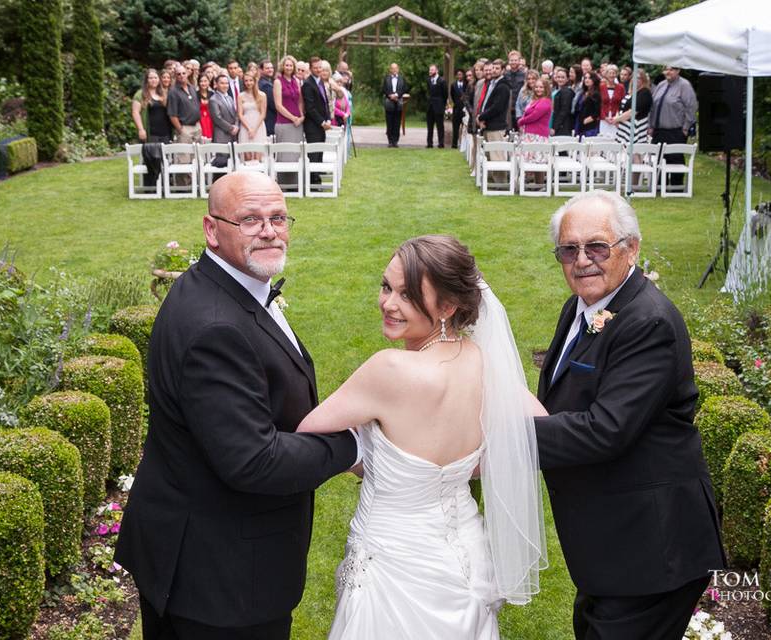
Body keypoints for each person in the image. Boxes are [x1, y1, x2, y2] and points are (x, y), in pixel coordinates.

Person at [114, 172, 360, 640]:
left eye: (278, 218)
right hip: (219, 582)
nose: (269, 230)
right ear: (212, 229)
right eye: (250, 220)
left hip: (199, 551)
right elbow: (254, 461)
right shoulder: (214, 327)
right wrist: (350, 447)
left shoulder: (225, 288)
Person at [297, 234, 547, 639]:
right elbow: (537, 428)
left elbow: (307, 432)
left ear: (448, 306)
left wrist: (372, 460)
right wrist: (463, 466)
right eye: (386, 287)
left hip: (394, 556)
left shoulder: (389, 370)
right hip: (463, 552)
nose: (388, 304)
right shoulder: (482, 361)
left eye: (407, 295)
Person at [534, 191, 726, 640]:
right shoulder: (583, 307)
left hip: (653, 550)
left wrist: (502, 435)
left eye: (597, 246)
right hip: (612, 542)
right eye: (569, 249)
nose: (582, 260)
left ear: (631, 247)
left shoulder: (648, 321)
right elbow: (564, 402)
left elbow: (606, 430)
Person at [649, 66, 698, 186]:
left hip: (675, 130)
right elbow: (653, 106)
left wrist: (686, 127)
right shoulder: (661, 85)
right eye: (666, 69)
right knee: (658, 159)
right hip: (659, 131)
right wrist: (650, 125)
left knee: (675, 158)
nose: (668, 72)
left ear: (678, 71)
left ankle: (676, 186)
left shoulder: (684, 85)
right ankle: (660, 186)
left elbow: (691, 107)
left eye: (671, 69)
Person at [478, 60, 511, 182]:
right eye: (493, 68)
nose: (494, 70)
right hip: (489, 125)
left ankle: (501, 183)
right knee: (490, 155)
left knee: (497, 156)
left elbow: (497, 107)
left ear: (502, 70)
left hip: (497, 125)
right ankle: (493, 182)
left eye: (497, 68)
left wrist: (481, 117)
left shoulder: (503, 86)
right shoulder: (492, 83)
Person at [302, 60, 333, 184]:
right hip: (312, 126)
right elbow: (310, 108)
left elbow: (325, 103)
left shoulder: (320, 81)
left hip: (322, 125)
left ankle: (317, 179)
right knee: (313, 154)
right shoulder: (308, 84)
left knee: (320, 153)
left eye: (320, 67)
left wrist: (328, 119)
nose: (318, 70)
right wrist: (322, 122)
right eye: (315, 68)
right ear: (310, 68)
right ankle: (313, 182)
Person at [273, 55, 305, 169]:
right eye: (287, 65)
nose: (289, 67)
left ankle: (296, 184)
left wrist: (301, 116)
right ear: (283, 66)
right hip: (284, 123)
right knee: (285, 154)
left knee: (296, 154)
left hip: (297, 123)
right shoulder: (278, 82)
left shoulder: (297, 81)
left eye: (291, 65)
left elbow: (300, 101)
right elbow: (278, 105)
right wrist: (293, 118)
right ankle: (284, 184)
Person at [613, 68, 652, 146]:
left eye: (639, 78)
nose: (636, 80)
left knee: (634, 155)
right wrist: (618, 118)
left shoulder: (645, 93)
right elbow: (621, 107)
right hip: (624, 129)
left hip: (635, 130)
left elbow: (632, 112)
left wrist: (616, 119)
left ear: (643, 79)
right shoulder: (631, 91)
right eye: (634, 77)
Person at [132, 68, 171, 144]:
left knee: (167, 155)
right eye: (151, 78)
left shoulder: (163, 93)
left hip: (166, 133)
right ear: (147, 80)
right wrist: (141, 129)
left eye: (155, 78)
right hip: (151, 134)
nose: (154, 80)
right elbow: (135, 112)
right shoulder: (140, 94)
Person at [238, 72, 268, 162]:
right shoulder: (240, 96)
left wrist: (254, 129)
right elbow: (240, 114)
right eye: (246, 81)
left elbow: (263, 113)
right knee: (247, 154)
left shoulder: (262, 95)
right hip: (245, 126)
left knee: (258, 154)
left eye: (251, 80)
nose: (248, 83)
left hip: (258, 125)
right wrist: (249, 129)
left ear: (255, 81)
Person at [381, 63, 409, 148]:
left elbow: (405, 88)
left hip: (398, 102)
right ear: (390, 70)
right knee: (389, 123)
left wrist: (397, 95)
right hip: (389, 102)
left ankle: (395, 141)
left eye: (395, 68)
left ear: (398, 69)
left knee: (397, 123)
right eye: (392, 68)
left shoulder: (402, 79)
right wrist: (390, 95)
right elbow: (384, 89)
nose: (394, 70)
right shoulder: (386, 79)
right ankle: (390, 141)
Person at [209, 73, 239, 152]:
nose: (225, 85)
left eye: (226, 83)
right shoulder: (213, 99)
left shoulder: (230, 98)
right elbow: (217, 118)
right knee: (222, 161)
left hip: (233, 135)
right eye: (222, 83)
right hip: (221, 135)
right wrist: (231, 128)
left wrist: (236, 126)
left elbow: (235, 114)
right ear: (216, 84)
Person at [425, 64, 448, 148]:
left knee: (440, 126)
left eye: (432, 70)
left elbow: (445, 94)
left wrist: (442, 105)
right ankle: (429, 143)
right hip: (430, 106)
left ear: (437, 71)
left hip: (439, 107)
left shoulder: (442, 81)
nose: (430, 71)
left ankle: (441, 143)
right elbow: (428, 92)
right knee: (429, 126)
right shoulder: (428, 80)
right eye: (429, 70)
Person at [599, 64, 624, 138]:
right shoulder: (601, 87)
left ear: (616, 74)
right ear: (606, 74)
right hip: (604, 120)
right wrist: (605, 118)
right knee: (603, 141)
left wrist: (617, 118)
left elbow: (622, 104)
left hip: (616, 120)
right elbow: (599, 105)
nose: (612, 75)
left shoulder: (620, 87)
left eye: (614, 73)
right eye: (610, 73)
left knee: (615, 141)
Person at [549, 67, 574, 137]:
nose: (560, 79)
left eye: (563, 77)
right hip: (555, 121)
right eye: (558, 77)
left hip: (563, 126)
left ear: (567, 79)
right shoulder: (558, 90)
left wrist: (555, 127)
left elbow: (564, 111)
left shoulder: (567, 92)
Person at [578, 72, 602, 137]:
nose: (587, 80)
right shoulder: (583, 92)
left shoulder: (596, 94)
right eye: (585, 78)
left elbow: (597, 111)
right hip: (581, 124)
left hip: (590, 126)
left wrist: (587, 120)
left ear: (594, 80)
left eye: (589, 78)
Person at [259, 59, 278, 136]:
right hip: (270, 120)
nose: (270, 70)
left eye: (271, 68)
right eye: (267, 68)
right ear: (261, 70)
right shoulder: (265, 85)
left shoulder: (269, 82)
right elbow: (273, 104)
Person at [450, 69, 468, 149]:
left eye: (461, 74)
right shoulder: (453, 85)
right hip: (456, 109)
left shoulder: (466, 84)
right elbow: (452, 95)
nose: (459, 76)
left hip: (464, 108)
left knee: (465, 128)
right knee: (455, 128)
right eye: (458, 74)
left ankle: (464, 145)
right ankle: (454, 144)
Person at [197, 73, 214, 142]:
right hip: (200, 120)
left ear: (209, 82)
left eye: (205, 81)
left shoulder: (212, 94)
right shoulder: (195, 94)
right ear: (198, 83)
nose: (203, 83)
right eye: (201, 81)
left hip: (210, 120)